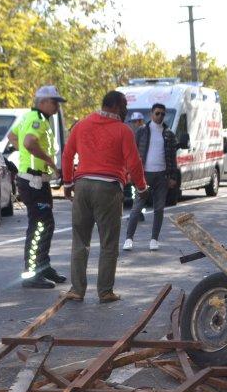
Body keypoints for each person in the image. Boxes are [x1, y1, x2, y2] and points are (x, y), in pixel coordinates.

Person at [61, 90, 146, 303]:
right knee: (108, 242)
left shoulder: (81, 125)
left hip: (82, 186)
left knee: (80, 240)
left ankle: (76, 289)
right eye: (125, 105)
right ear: (116, 106)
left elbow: (67, 154)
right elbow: (134, 163)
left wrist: (68, 182)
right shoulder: (123, 130)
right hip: (108, 188)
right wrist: (142, 187)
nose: (126, 110)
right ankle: (105, 291)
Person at [10, 85, 67, 289]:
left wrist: (27, 157)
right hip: (33, 181)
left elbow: (12, 136)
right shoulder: (38, 120)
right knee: (40, 225)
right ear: (42, 102)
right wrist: (50, 161)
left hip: (34, 180)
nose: (56, 107)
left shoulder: (28, 117)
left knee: (45, 223)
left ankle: (43, 266)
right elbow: (28, 142)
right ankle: (32, 272)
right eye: (54, 102)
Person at [124, 102, 177, 251]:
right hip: (144, 175)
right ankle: (129, 238)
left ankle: (154, 239)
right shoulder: (142, 131)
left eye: (162, 114)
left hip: (162, 175)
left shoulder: (169, 134)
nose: (160, 116)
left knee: (159, 209)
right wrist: (131, 173)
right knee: (137, 207)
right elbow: (133, 153)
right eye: (157, 113)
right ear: (151, 114)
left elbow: (173, 158)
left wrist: (172, 176)